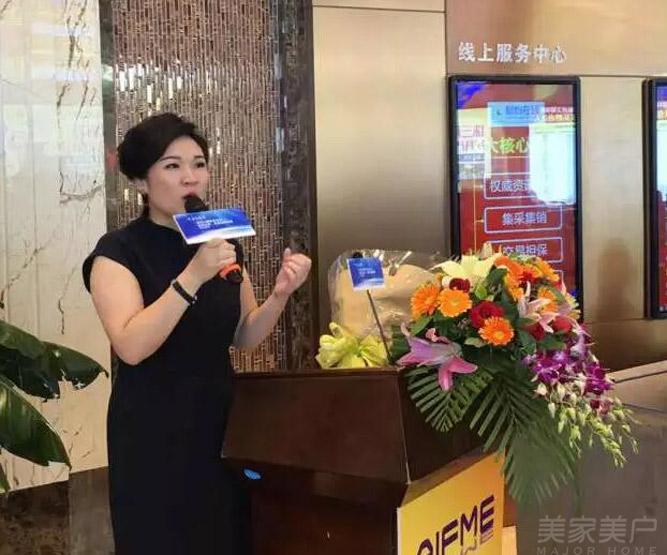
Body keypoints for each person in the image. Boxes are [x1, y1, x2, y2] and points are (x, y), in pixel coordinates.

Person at [82, 113, 311, 554]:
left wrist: (281, 295)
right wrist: (192, 276)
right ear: (141, 181)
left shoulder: (221, 241)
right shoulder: (117, 252)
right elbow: (131, 347)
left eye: (199, 164)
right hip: (153, 429)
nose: (190, 177)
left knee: (225, 535)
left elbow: (243, 334)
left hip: (221, 422)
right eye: (172, 166)